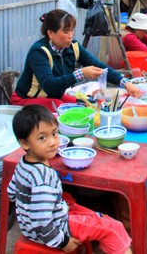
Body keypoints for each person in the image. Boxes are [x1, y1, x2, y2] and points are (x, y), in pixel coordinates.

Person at [7, 105, 132, 253]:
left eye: (54, 134)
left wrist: (28, 207)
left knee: (70, 200)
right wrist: (63, 241)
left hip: (29, 228)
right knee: (113, 228)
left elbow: (11, 193)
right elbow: (41, 222)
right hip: (54, 230)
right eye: (42, 138)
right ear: (25, 143)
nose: (53, 142)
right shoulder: (43, 178)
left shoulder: (23, 164)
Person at [12, 9, 141, 108]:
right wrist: (80, 74)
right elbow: (50, 86)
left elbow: (100, 67)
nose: (70, 36)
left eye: (72, 31)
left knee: (87, 104)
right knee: (60, 106)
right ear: (50, 33)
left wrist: (125, 83)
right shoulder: (39, 52)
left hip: (53, 97)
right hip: (26, 100)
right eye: (66, 32)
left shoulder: (73, 47)